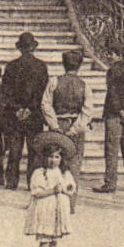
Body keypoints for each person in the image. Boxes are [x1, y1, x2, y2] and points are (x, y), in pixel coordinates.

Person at [0, 32, 48, 190]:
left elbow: (5, 92)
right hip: (34, 115)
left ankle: (11, 181)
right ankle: (32, 183)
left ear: (19, 48)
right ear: (33, 48)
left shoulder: (11, 66)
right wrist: (30, 109)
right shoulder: (41, 66)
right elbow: (43, 93)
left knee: (14, 150)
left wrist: (17, 108)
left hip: (15, 115)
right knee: (34, 151)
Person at [24, 143, 76, 247]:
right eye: (50, 157)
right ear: (44, 158)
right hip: (45, 210)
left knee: (54, 241)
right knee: (45, 240)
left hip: (58, 212)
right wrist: (52, 190)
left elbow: (71, 188)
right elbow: (36, 192)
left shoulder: (64, 173)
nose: (53, 160)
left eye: (57, 157)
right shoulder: (40, 173)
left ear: (61, 158)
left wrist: (64, 189)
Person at [93, 48, 124, 194]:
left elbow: (112, 93)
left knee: (111, 150)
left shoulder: (112, 71)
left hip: (114, 115)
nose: (109, 56)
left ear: (118, 55)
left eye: (111, 53)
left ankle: (110, 182)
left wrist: (120, 111)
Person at [40, 48, 91, 176]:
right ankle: (72, 188)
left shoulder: (54, 82)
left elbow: (46, 105)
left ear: (64, 64)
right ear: (79, 66)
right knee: (74, 161)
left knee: (55, 160)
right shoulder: (84, 85)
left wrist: (54, 125)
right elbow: (87, 111)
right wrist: (74, 129)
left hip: (58, 124)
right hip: (76, 126)